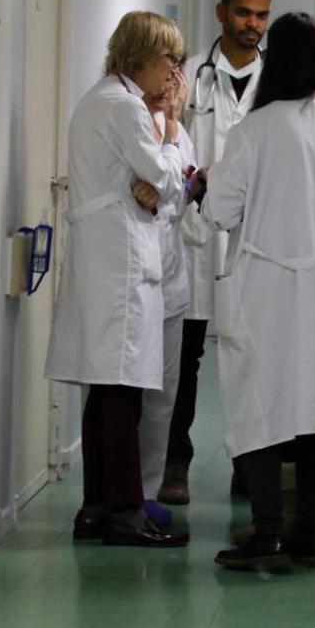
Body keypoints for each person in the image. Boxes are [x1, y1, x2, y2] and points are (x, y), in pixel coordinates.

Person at [204, 13, 315, 571]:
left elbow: (219, 211)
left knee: (260, 408)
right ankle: (307, 534)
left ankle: (267, 534)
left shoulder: (253, 130)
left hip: (267, 288)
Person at [45, 11, 192, 547]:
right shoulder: (126, 107)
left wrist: (158, 177)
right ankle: (126, 510)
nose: (175, 75)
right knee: (120, 391)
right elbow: (166, 178)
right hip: (120, 264)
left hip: (107, 259)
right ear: (142, 57)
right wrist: (172, 130)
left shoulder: (100, 99)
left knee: (105, 386)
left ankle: (97, 507)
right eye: (169, 61)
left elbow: (155, 181)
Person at [159, 0, 272, 506]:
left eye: (261, 15)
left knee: (249, 359)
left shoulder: (278, 85)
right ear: (221, 12)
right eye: (244, 12)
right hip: (193, 235)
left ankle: (246, 466)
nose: (253, 25)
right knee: (185, 360)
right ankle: (175, 462)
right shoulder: (187, 80)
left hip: (252, 241)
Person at [137, 79, 197, 527]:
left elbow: (177, 187)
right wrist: (167, 184)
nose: (171, 83)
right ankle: (120, 494)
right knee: (122, 398)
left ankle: (148, 490)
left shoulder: (174, 126)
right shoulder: (125, 119)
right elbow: (156, 183)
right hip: (131, 277)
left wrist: (177, 186)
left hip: (170, 276)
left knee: (163, 395)